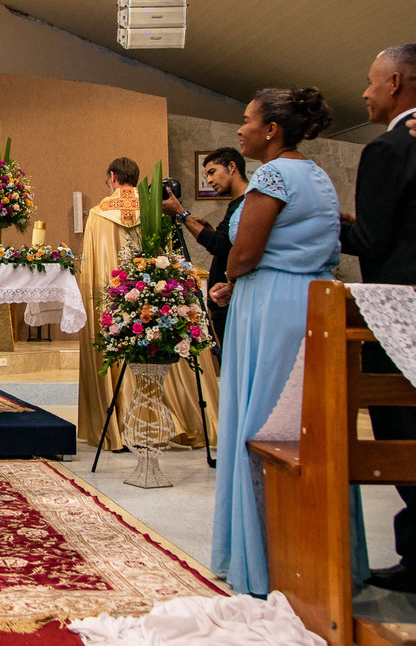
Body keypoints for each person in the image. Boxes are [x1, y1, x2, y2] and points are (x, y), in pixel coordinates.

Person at [208, 87, 367, 596]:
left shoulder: (274, 175)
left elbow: (243, 251)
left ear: (271, 129)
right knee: (307, 424)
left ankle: (265, 558)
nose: (241, 129)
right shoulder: (316, 173)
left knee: (261, 422)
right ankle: (317, 550)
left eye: (247, 119)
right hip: (310, 300)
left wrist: (232, 276)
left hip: (271, 304)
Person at [340, 44, 416, 600]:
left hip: (406, 315)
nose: (364, 93)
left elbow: (373, 241)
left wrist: (327, 223)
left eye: (370, 82)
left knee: (408, 434)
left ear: (394, 83)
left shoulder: (390, 148)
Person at [77, 158, 218, 452]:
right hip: (153, 298)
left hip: (118, 298)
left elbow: (92, 269)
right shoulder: (155, 210)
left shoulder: (99, 214)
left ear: (112, 177)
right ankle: (170, 419)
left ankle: (122, 423)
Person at [162, 148, 248, 345]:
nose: (209, 180)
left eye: (212, 172)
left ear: (232, 167)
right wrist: (208, 229)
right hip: (225, 299)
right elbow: (225, 244)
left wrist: (182, 214)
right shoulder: (236, 204)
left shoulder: (247, 204)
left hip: (232, 302)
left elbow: (218, 245)